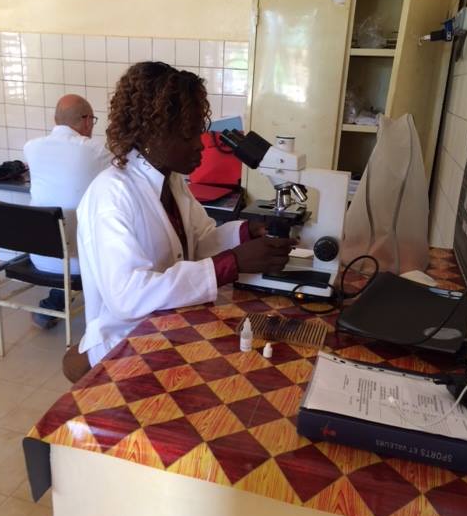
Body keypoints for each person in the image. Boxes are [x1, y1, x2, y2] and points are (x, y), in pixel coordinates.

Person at [62, 62, 294, 382]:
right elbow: (130, 296)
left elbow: (200, 241)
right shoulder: (112, 194)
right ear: (152, 132)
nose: (200, 144)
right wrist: (232, 264)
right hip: (126, 341)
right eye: (189, 133)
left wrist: (246, 233)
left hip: (169, 325)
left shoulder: (170, 182)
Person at [24, 94, 111, 328]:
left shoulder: (31, 147)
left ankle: (52, 305)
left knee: (67, 236)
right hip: (80, 262)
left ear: (56, 120)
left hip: (40, 255)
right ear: (87, 121)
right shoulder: (96, 150)